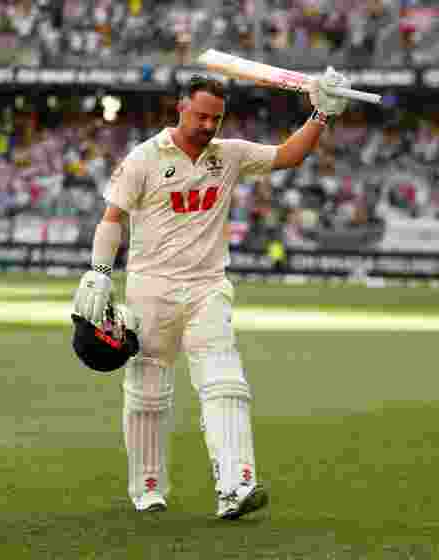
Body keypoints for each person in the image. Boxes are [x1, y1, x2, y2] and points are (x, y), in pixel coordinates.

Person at [71, 71, 350, 519]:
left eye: (215, 119)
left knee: (226, 384)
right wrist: (101, 272)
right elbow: (112, 218)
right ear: (180, 108)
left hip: (207, 287)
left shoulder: (230, 155)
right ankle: (147, 488)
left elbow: (287, 155)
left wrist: (321, 114)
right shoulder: (144, 158)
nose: (207, 126)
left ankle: (235, 486)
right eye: (200, 115)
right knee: (147, 394)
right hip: (151, 289)